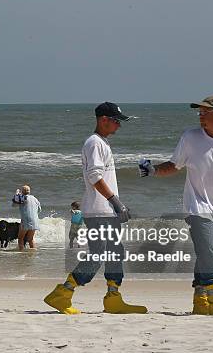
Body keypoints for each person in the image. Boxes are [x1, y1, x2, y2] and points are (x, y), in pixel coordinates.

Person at [138, 96, 213, 316]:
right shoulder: (190, 137)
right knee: (208, 253)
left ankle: (200, 300)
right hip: (196, 207)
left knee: (210, 256)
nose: (200, 115)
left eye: (204, 111)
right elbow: (174, 165)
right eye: (199, 112)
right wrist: (153, 170)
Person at [44, 102, 147, 315]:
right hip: (100, 210)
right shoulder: (94, 143)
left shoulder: (102, 143)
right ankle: (63, 293)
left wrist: (116, 205)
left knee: (114, 253)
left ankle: (112, 297)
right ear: (103, 120)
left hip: (104, 210)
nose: (119, 126)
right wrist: (116, 202)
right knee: (99, 254)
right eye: (116, 121)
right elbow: (94, 176)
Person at [12, 185, 41, 250]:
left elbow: (13, 205)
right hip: (35, 220)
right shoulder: (35, 198)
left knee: (20, 238)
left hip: (26, 220)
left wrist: (16, 194)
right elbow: (39, 210)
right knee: (30, 239)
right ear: (29, 191)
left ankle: (21, 253)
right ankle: (33, 252)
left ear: (22, 191)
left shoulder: (22, 197)